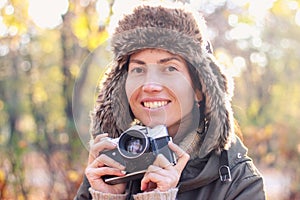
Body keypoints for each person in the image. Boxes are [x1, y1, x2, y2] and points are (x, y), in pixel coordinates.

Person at [74, 1, 266, 200]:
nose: (150, 85)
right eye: (138, 69)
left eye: (170, 68)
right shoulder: (109, 169)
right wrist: (107, 197)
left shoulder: (238, 182)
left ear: (200, 88)